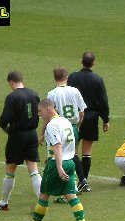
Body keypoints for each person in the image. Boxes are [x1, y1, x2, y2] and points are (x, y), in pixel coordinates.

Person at [17, 99, 89, 221]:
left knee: (44, 194)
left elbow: (57, 146)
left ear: (49, 108)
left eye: (40, 111)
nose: (39, 114)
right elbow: (68, 143)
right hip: (70, 161)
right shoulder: (66, 122)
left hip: (58, 164)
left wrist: (59, 166)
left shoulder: (52, 125)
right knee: (71, 196)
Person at [0, 71, 42, 211]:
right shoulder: (34, 94)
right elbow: (38, 114)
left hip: (17, 136)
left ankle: (4, 202)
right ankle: (42, 203)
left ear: (11, 82)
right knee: (34, 171)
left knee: (10, 169)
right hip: (32, 135)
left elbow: (4, 120)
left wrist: (8, 130)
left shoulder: (12, 97)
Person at [67, 51, 110, 192]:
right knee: (87, 151)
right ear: (94, 63)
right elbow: (103, 101)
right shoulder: (97, 79)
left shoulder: (72, 77)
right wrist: (105, 119)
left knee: (73, 150)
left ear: (81, 61)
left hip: (76, 116)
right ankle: (83, 180)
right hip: (91, 117)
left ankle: (81, 180)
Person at [47, 66, 87, 201]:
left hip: (59, 127)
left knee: (61, 156)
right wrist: (78, 126)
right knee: (72, 155)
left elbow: (50, 113)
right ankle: (78, 183)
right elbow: (82, 112)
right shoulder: (75, 91)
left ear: (54, 78)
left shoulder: (52, 94)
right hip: (73, 127)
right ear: (67, 77)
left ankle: (71, 188)